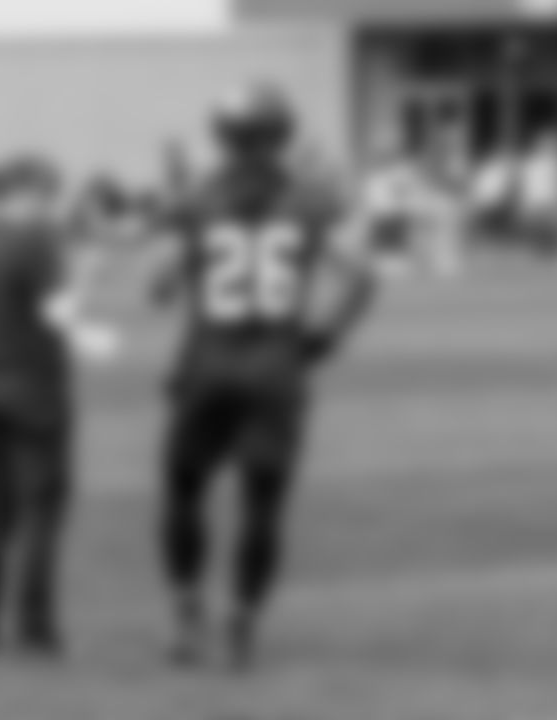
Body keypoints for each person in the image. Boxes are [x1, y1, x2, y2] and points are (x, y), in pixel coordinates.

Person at [144, 82, 377, 670]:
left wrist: (182, 264)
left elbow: (158, 284)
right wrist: (322, 338)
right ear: (283, 135)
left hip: (206, 361)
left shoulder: (198, 195)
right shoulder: (310, 197)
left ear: (221, 134)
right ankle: (242, 622)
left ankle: (186, 613)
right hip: (276, 365)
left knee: (183, 490)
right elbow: (361, 276)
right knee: (263, 503)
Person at [0, 154, 118, 659]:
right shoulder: (39, 240)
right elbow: (58, 310)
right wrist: (89, 312)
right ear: (37, 193)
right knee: (41, 510)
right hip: (36, 393)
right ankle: (34, 625)